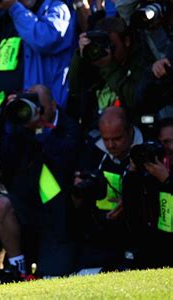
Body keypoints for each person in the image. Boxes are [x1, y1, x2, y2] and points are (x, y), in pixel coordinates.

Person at [0, 84, 81, 278]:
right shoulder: (21, 128)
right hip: (29, 205)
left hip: (59, 215)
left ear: (53, 105)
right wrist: (15, 122)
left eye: (40, 106)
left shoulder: (70, 126)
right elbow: (7, 162)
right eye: (31, 105)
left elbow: (60, 159)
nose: (36, 110)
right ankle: (18, 266)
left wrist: (40, 130)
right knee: (0, 204)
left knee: (51, 278)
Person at [73, 106, 143, 270]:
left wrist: (132, 201)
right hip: (100, 235)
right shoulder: (93, 150)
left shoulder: (148, 149)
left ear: (130, 131)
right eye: (106, 139)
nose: (111, 145)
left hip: (141, 236)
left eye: (117, 138)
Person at [122, 117, 173, 268]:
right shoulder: (152, 171)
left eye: (171, 141)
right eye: (164, 142)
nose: (168, 147)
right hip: (155, 246)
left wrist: (167, 181)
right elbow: (131, 208)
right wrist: (133, 171)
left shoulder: (161, 174)